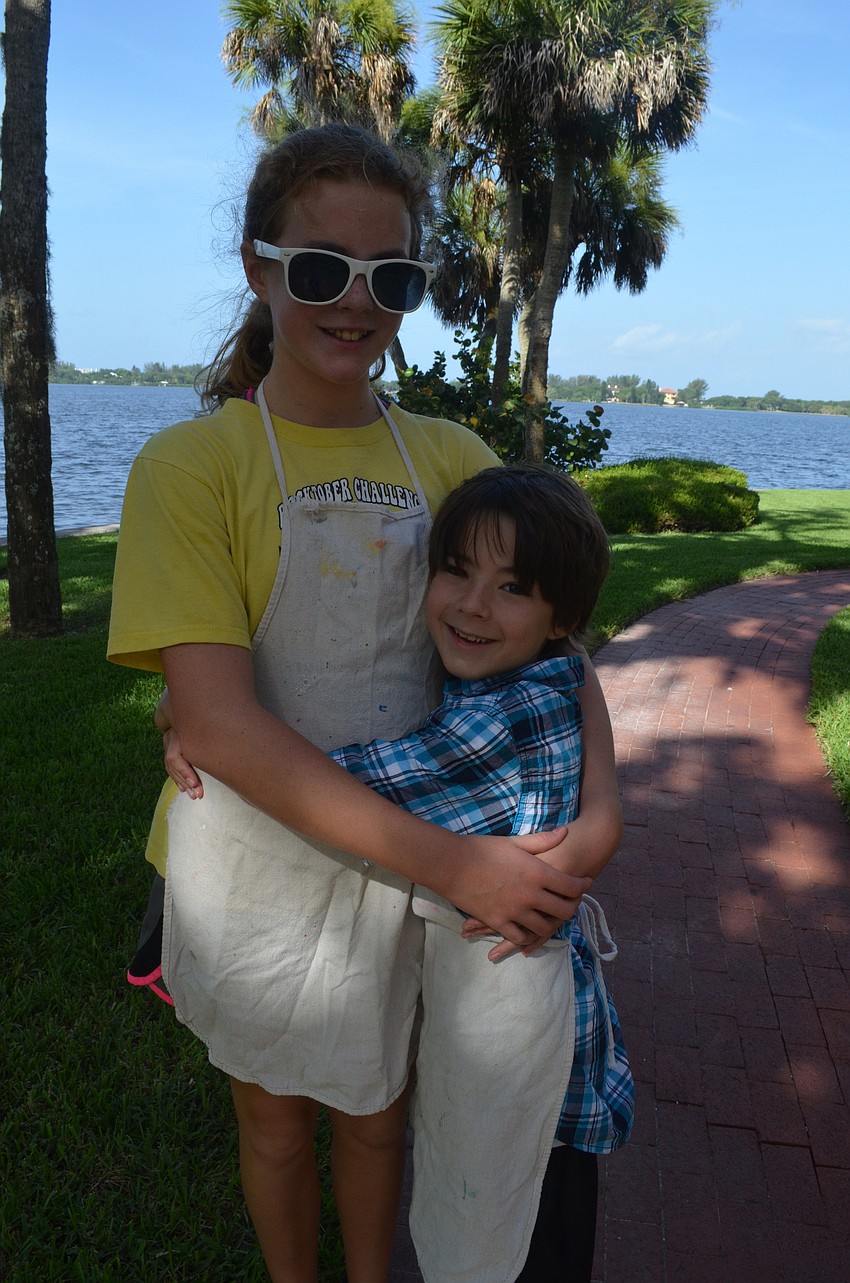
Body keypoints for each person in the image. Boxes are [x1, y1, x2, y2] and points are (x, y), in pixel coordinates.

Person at [108, 123, 622, 1283]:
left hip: (421, 861)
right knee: (278, 1120)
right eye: (320, 268)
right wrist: (455, 862)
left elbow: (558, 647)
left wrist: (600, 812)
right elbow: (225, 726)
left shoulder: (449, 452)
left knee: (384, 1112)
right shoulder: (192, 467)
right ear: (261, 268)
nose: (354, 301)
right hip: (261, 868)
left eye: (389, 277)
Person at [165, 462, 634, 1283]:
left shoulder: (491, 723)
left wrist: (200, 722)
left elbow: (342, 778)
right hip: (558, 1050)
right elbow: (583, 671)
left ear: (563, 615)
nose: (471, 604)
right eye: (455, 569)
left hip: (525, 1066)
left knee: (502, 1237)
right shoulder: (552, 675)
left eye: (512, 586)